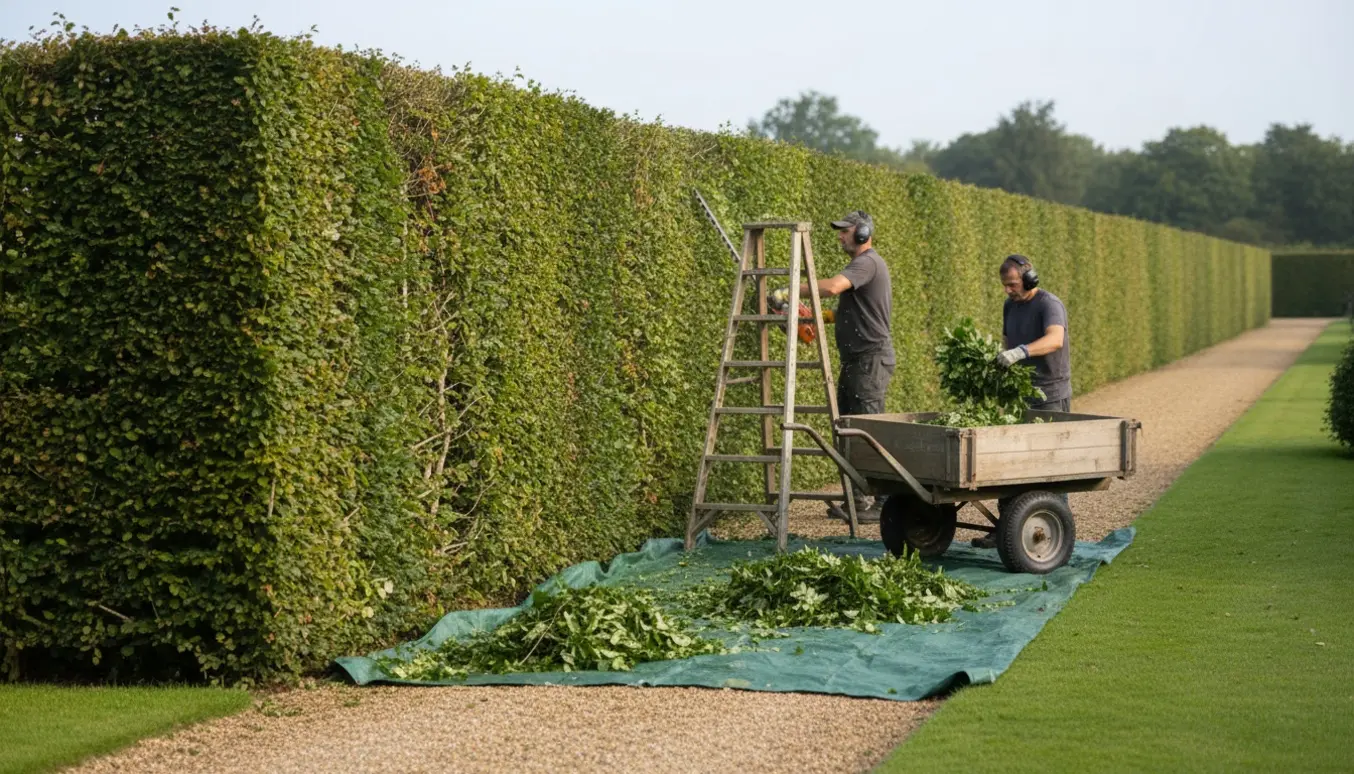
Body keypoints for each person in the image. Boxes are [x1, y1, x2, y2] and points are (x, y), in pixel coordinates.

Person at [774, 210, 894, 522]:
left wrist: (791, 288)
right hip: (856, 360)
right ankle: (857, 499)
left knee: (870, 430)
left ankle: (885, 503)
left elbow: (830, 288)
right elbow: (847, 310)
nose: (840, 236)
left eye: (845, 231)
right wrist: (814, 317)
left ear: (863, 232)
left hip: (870, 359)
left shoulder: (866, 262)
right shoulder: (861, 266)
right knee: (848, 430)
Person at [974, 253, 1072, 548]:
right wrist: (1002, 362)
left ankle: (1059, 532)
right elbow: (1007, 341)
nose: (1008, 290)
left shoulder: (1049, 304)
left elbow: (1055, 339)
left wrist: (1021, 352)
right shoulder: (1009, 305)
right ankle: (1006, 530)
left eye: (1013, 284)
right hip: (1019, 397)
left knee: (1051, 467)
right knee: (1010, 462)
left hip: (1050, 396)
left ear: (1030, 278)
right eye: (1005, 285)